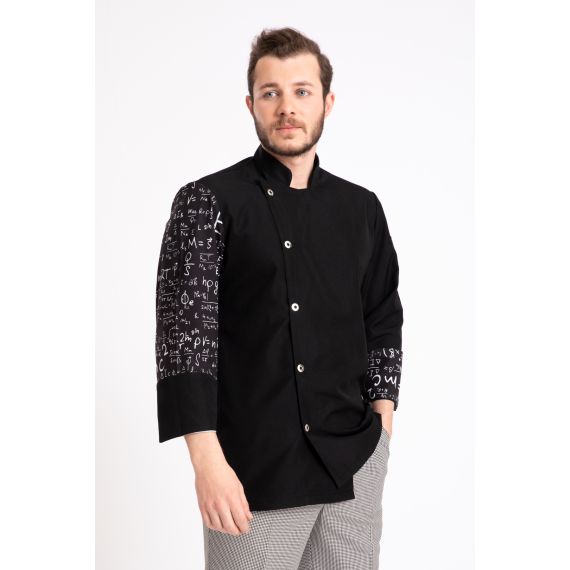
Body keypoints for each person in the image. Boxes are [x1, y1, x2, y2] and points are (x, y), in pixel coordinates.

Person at [155, 26, 404, 570]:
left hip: (354, 463)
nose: (287, 107)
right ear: (251, 104)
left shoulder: (362, 208)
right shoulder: (206, 201)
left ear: (327, 102)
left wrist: (382, 426)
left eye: (301, 91)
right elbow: (184, 337)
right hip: (254, 471)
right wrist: (207, 462)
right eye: (271, 93)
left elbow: (382, 316)